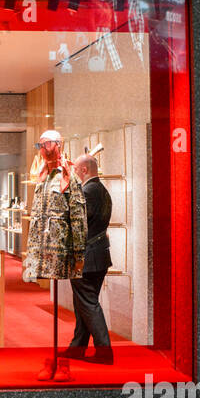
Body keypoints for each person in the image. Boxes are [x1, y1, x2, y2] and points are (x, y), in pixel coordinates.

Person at [62, 154, 113, 363]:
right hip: (98, 254)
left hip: (88, 256)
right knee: (83, 303)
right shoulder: (102, 190)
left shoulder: (88, 191)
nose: (74, 174)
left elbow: (77, 220)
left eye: (76, 170)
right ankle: (77, 348)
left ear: (84, 170)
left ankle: (104, 351)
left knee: (88, 303)